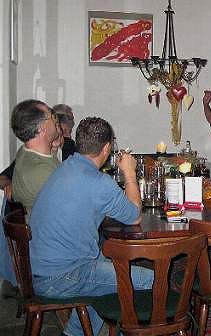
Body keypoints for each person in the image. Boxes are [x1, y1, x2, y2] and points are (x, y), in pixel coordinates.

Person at [29, 117, 153, 336]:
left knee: (107, 269)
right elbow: (134, 216)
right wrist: (130, 173)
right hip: (60, 277)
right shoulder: (98, 182)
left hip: (40, 269)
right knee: (149, 279)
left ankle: (75, 332)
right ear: (107, 148)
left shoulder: (67, 166)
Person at [10, 99, 60, 214]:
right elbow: (74, 206)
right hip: (49, 229)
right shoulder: (40, 170)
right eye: (52, 116)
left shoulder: (24, 151)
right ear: (42, 127)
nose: (55, 120)